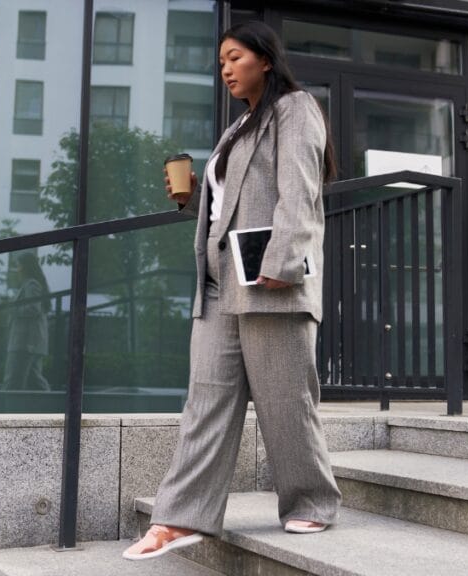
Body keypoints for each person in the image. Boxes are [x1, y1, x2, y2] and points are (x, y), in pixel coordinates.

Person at [123, 21, 341, 561]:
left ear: (265, 59)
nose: (224, 68)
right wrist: (195, 197)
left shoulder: (293, 109)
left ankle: (310, 500)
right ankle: (180, 517)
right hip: (220, 283)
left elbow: (298, 190)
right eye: (220, 61)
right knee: (206, 401)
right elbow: (230, 209)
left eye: (234, 57)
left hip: (269, 278)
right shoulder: (238, 127)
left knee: (285, 399)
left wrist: (283, 260)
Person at [3, 252, 50, 391]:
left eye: (18, 266)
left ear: (24, 267)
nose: (17, 270)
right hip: (29, 342)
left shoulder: (31, 284)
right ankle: (54, 404)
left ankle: (7, 409)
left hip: (25, 342)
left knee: (13, 379)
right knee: (34, 379)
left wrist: (13, 309)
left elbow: (33, 309)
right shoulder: (30, 284)